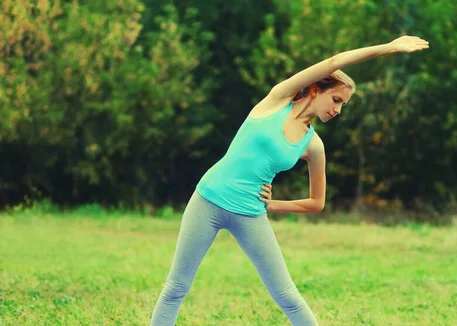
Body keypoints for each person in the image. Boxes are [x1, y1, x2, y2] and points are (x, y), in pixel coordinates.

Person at [150, 35, 429, 325]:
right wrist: (388, 48)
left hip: (251, 214)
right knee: (176, 288)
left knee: (287, 295)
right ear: (314, 89)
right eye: (336, 99)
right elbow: (335, 62)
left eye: (343, 105)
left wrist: (274, 205)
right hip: (208, 200)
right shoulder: (276, 100)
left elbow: (317, 202)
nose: (338, 109)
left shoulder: (314, 146)